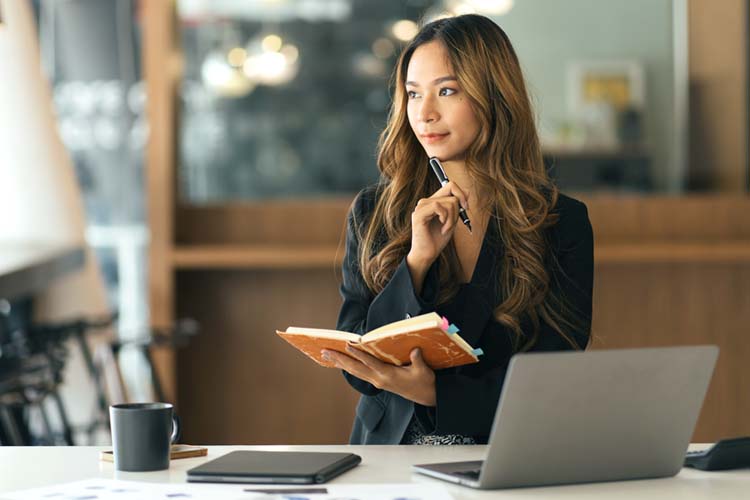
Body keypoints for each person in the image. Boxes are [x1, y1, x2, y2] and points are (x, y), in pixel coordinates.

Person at [321, 14, 594, 445]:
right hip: (391, 460)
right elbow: (361, 366)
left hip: (508, 451)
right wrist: (417, 262)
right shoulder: (375, 211)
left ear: (494, 96)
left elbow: (552, 375)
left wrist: (436, 394)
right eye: (413, 94)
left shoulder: (560, 222)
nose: (424, 113)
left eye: (447, 91)